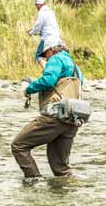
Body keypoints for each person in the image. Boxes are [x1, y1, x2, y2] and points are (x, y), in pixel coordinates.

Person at [11, 38, 84, 179]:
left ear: (51, 50)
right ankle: (66, 190)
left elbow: (48, 80)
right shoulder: (75, 67)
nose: (46, 58)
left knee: (19, 145)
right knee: (61, 168)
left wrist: (29, 88)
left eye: (46, 54)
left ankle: (34, 181)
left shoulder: (56, 59)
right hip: (72, 120)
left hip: (54, 116)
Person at [27, 0, 61, 67]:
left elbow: (38, 26)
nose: (36, 7)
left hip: (47, 39)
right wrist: (37, 32)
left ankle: (47, 73)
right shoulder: (51, 12)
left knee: (39, 56)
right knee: (53, 58)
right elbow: (47, 27)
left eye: (37, 5)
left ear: (40, 5)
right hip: (57, 38)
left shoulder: (42, 13)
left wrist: (31, 32)